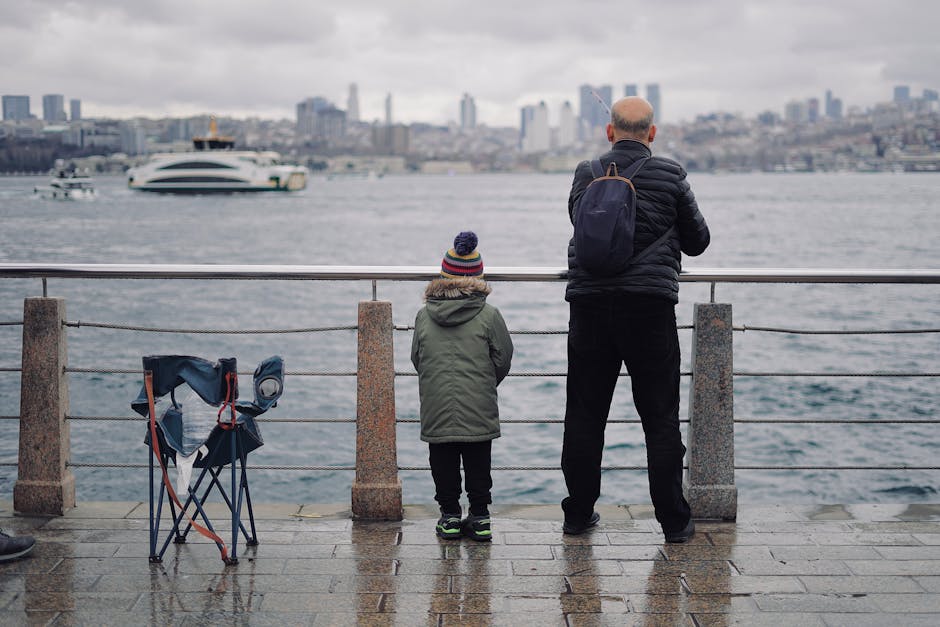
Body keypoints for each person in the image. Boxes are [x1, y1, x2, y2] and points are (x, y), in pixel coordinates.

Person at [561, 96, 710, 543]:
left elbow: (577, 220)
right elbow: (698, 241)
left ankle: (578, 514)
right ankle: (674, 522)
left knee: (585, 416)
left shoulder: (587, 172)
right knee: (659, 419)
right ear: (652, 132)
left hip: (590, 305)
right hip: (649, 306)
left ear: (609, 132)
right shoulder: (671, 174)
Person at [411, 231, 514, 542]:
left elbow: (417, 358)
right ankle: (480, 517)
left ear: (442, 276)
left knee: (442, 460)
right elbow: (504, 357)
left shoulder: (424, 315)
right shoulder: (489, 314)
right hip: (479, 402)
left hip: (436, 402)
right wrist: (484, 381)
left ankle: (450, 516)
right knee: (478, 460)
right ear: (479, 278)